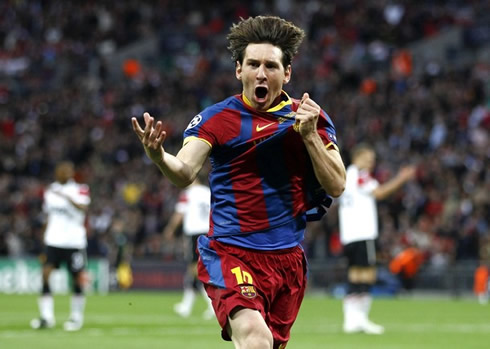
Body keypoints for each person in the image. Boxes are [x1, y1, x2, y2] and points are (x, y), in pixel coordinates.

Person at [132, 15, 346, 349]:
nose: (262, 73)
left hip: (288, 261)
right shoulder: (217, 119)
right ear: (238, 70)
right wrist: (159, 156)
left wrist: (310, 137)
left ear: (286, 73)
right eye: (253, 64)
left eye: (271, 66)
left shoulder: (308, 118)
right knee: (256, 340)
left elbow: (337, 185)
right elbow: (185, 171)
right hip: (231, 253)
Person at [338, 143, 416, 334]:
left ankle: (351, 319)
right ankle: (360, 319)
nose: (371, 162)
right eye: (368, 158)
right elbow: (379, 193)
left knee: (355, 275)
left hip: (349, 234)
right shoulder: (361, 175)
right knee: (367, 275)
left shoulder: (347, 175)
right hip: (363, 233)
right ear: (357, 158)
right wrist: (402, 178)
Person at [30, 161, 91, 331]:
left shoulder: (80, 189)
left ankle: (76, 318)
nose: (65, 173)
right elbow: (48, 215)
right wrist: (44, 238)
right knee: (45, 274)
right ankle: (46, 317)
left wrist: (67, 197)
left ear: (72, 173)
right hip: (53, 241)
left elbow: (83, 208)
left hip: (74, 242)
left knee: (77, 278)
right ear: (57, 173)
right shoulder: (50, 191)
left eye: (68, 170)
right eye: (62, 171)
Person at [162, 174, 215, 319]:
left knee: (196, 270)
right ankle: (187, 305)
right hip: (209, 233)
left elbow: (179, 214)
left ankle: (211, 304)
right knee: (198, 270)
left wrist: (170, 229)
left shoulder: (188, 194)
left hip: (194, 234)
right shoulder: (208, 192)